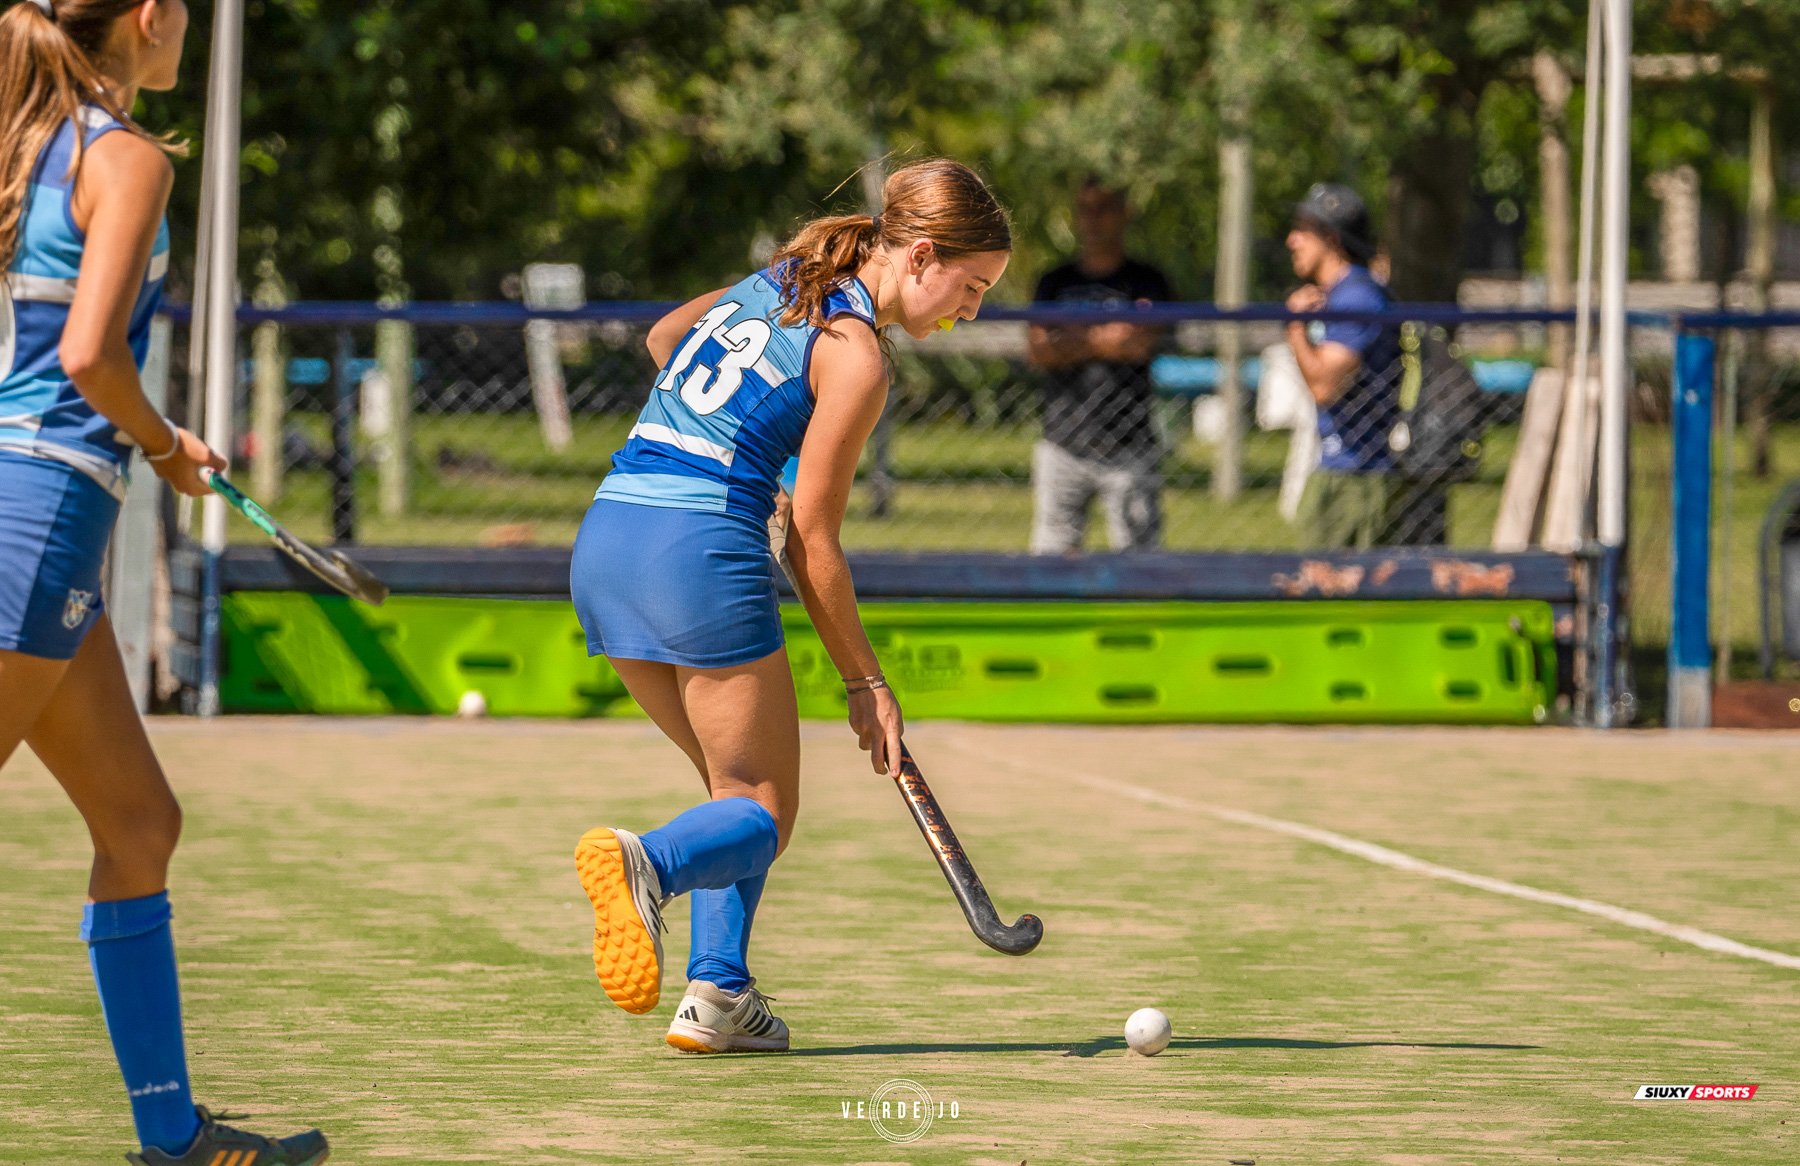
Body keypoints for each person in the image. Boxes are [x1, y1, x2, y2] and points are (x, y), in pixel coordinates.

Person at [569, 159, 1011, 1053]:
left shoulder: (779, 280)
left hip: (609, 537)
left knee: (732, 791)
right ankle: (644, 863)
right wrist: (866, 681)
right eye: (970, 287)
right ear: (920, 255)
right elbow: (815, 540)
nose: (971, 312)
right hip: (695, 553)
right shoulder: (856, 356)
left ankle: (719, 996)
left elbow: (665, 340)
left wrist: (747, 455)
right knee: (766, 810)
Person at [0, 2, 329, 1163]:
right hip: (35, 515)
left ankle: (172, 1135)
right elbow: (91, 352)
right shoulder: (121, 155)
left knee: (139, 822)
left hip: (35, 512)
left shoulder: (16, 139)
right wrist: (161, 443)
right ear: (149, 18)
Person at [1026, 179, 1171, 554]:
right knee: (1052, 560)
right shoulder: (1055, 282)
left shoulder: (1146, 280)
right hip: (1063, 442)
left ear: (1124, 213)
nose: (1093, 220)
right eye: (1085, 209)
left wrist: (1072, 337)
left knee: (1139, 562)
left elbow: (1138, 342)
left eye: (1104, 208)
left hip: (1130, 444)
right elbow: (1038, 349)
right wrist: (1107, 338)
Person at [1283, 183, 1405, 548]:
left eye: (1302, 230)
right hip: (1343, 467)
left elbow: (1324, 386)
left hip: (1359, 477)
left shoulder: (1358, 297)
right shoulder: (1343, 296)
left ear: (1331, 238)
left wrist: (1295, 328)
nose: (1292, 240)